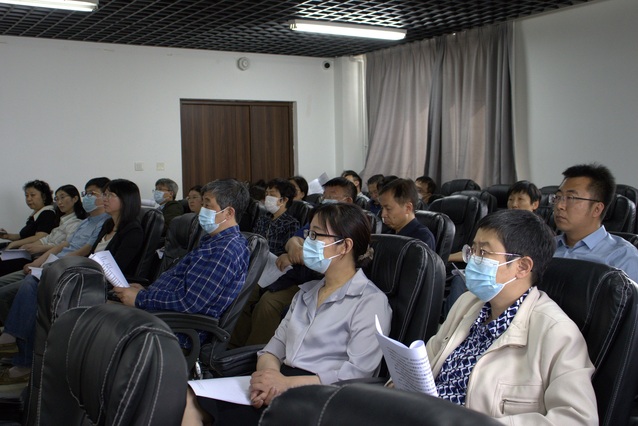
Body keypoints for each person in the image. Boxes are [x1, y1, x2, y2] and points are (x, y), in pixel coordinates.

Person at [183, 203, 392, 425]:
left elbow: (358, 375)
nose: (307, 242)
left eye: (316, 235)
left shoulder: (370, 301)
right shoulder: (306, 293)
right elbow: (272, 349)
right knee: (190, 396)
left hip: (323, 396)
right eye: (308, 234)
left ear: (345, 246)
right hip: (281, 383)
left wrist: (284, 384)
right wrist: (269, 380)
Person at [424, 209, 597, 423]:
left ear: (522, 267)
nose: (472, 261)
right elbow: (427, 361)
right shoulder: (467, 303)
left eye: (483, 253)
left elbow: (577, 419)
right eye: (473, 250)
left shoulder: (557, 332)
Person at [0, 178, 143, 385]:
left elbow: (115, 267)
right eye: (105, 194)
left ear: (126, 200)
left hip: (97, 283)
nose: (104, 198)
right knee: (32, 284)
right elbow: (91, 255)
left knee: (33, 286)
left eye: (110, 195)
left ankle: (18, 347)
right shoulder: (108, 225)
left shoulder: (132, 230)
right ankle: (20, 351)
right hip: (83, 274)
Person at [114, 179, 250, 348]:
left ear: (229, 212)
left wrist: (141, 298)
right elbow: (182, 288)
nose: (202, 210)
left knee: (103, 323)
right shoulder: (213, 242)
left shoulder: (225, 250)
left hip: (177, 330)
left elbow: (189, 302)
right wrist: (147, 292)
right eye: (203, 204)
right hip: (161, 316)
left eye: (208, 205)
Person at [229, 177, 357, 348]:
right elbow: (293, 241)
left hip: (320, 280)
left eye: (332, 196)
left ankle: (253, 353)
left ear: (348, 200)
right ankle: (234, 347)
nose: (325, 199)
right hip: (299, 275)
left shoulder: (354, 226)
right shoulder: (319, 219)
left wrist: (293, 255)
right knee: (243, 290)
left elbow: (322, 255)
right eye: (324, 195)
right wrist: (295, 248)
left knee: (268, 303)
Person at [0, 178, 110, 319]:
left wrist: (52, 265)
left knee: (8, 293)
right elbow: (62, 245)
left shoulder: (104, 222)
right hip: (49, 263)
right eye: (86, 194)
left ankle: (17, 330)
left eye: (92, 194)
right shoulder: (84, 222)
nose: (87, 198)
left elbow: (85, 250)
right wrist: (37, 263)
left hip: (62, 267)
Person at [552, 163, 638, 281]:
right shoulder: (545, 247)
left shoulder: (623, 257)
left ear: (596, 209)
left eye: (571, 198)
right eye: (558, 197)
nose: (559, 206)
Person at [0, 180, 58, 275]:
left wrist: (14, 244)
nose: (29, 199)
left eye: (32, 195)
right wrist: (7, 236)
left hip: (29, 255)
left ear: (44, 196)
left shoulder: (47, 213)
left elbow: (40, 236)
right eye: (26, 196)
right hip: (21, 252)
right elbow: (23, 236)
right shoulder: (36, 214)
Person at [18, 184, 86, 258]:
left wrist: (40, 248)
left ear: (75, 198)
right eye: (57, 199)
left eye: (62, 197)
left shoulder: (77, 222)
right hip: (42, 255)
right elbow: (47, 239)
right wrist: (30, 245)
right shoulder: (61, 219)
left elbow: (67, 246)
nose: (59, 202)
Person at [378, 178, 436, 250]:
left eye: (388, 209)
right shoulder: (387, 234)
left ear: (408, 208)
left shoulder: (422, 239)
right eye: (382, 208)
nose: (383, 215)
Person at [252, 178, 300, 256]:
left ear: (284, 200)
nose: (267, 198)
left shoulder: (291, 224)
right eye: (266, 194)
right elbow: (254, 241)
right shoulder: (262, 219)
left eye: (272, 195)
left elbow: (287, 251)